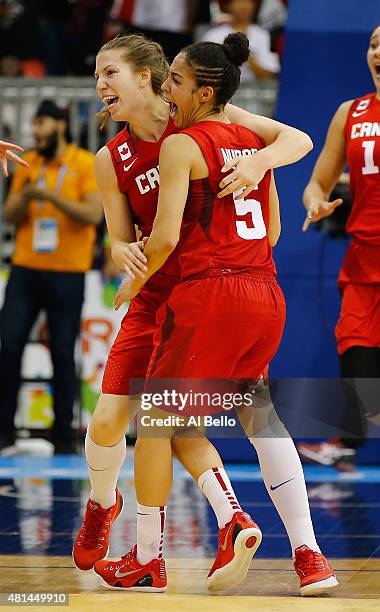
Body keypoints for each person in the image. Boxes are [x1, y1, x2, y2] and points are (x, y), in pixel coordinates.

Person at [92, 33, 337, 596]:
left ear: (201, 92)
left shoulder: (182, 144)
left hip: (209, 296)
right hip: (265, 291)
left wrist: (136, 280)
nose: (167, 89)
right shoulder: (247, 137)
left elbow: (166, 237)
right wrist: (257, 168)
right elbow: (273, 230)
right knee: (259, 418)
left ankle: (154, 556)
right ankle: (310, 556)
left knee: (159, 426)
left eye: (174, 81)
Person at [0, 100, 103, 455]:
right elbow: (10, 216)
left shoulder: (84, 164)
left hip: (68, 272)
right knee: (8, 345)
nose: (36, 130)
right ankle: (4, 432)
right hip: (26, 268)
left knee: (62, 350)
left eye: (41, 122)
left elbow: (92, 214)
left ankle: (63, 436)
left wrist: (50, 197)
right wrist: (27, 196)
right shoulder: (28, 163)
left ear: (60, 124)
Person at [299, 24, 380, 469]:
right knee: (357, 359)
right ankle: (347, 440)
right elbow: (317, 182)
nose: (378, 52)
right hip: (363, 257)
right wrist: (316, 203)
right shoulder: (351, 113)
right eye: (373, 45)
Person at [202, 0, 280, 82]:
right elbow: (205, 73)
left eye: (248, 2)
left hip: (255, 89)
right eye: (238, 1)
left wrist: (248, 59)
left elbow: (270, 76)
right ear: (228, 6)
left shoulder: (263, 35)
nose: (243, 7)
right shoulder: (213, 35)